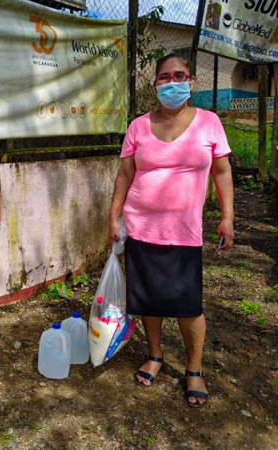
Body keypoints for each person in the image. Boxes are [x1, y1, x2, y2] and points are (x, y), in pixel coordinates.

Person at [108, 53, 234, 408]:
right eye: (164, 77)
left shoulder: (209, 122)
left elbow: (221, 173)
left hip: (184, 231)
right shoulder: (138, 126)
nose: (172, 82)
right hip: (141, 226)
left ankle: (194, 369)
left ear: (191, 82)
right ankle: (155, 355)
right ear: (155, 85)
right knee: (148, 298)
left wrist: (228, 217)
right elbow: (125, 174)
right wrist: (113, 215)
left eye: (179, 75)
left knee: (187, 305)